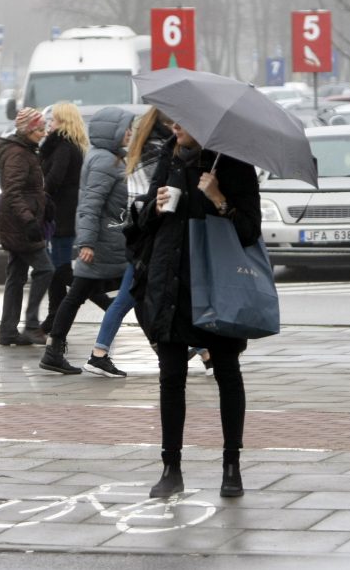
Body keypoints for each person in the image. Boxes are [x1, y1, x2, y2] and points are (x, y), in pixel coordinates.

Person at [131, 120, 262, 498]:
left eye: (185, 120)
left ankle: (231, 467)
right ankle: (171, 468)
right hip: (172, 283)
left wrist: (218, 198)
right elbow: (143, 223)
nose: (175, 125)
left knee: (226, 373)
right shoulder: (169, 159)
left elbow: (250, 230)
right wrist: (152, 209)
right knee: (171, 378)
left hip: (217, 287)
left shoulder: (233, 164)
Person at [83, 108, 212, 377]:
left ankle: (204, 353)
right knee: (133, 296)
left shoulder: (141, 147)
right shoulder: (161, 151)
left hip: (142, 231)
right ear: (168, 123)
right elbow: (167, 191)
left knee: (145, 295)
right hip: (153, 233)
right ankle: (98, 354)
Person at [38, 106, 135, 374]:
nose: (130, 133)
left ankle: (56, 350)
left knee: (81, 292)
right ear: (113, 131)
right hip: (102, 242)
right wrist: (87, 243)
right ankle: (75, 352)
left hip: (106, 240)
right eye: (126, 128)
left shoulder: (107, 158)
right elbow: (91, 205)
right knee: (132, 289)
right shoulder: (105, 161)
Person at [38, 102, 112, 335]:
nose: (49, 124)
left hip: (62, 216)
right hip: (64, 214)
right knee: (57, 270)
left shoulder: (63, 146)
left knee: (59, 270)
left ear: (63, 122)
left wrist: (38, 189)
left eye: (53, 120)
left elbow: (54, 180)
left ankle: (106, 304)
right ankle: (52, 320)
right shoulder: (71, 145)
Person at [0, 107, 54, 346]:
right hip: (21, 224)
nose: (43, 132)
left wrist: (42, 203)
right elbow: (13, 191)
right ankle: (31, 324)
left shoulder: (25, 150)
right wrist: (29, 219)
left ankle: (7, 330)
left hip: (20, 221)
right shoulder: (18, 154)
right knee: (45, 269)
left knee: (16, 276)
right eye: (39, 129)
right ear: (27, 129)